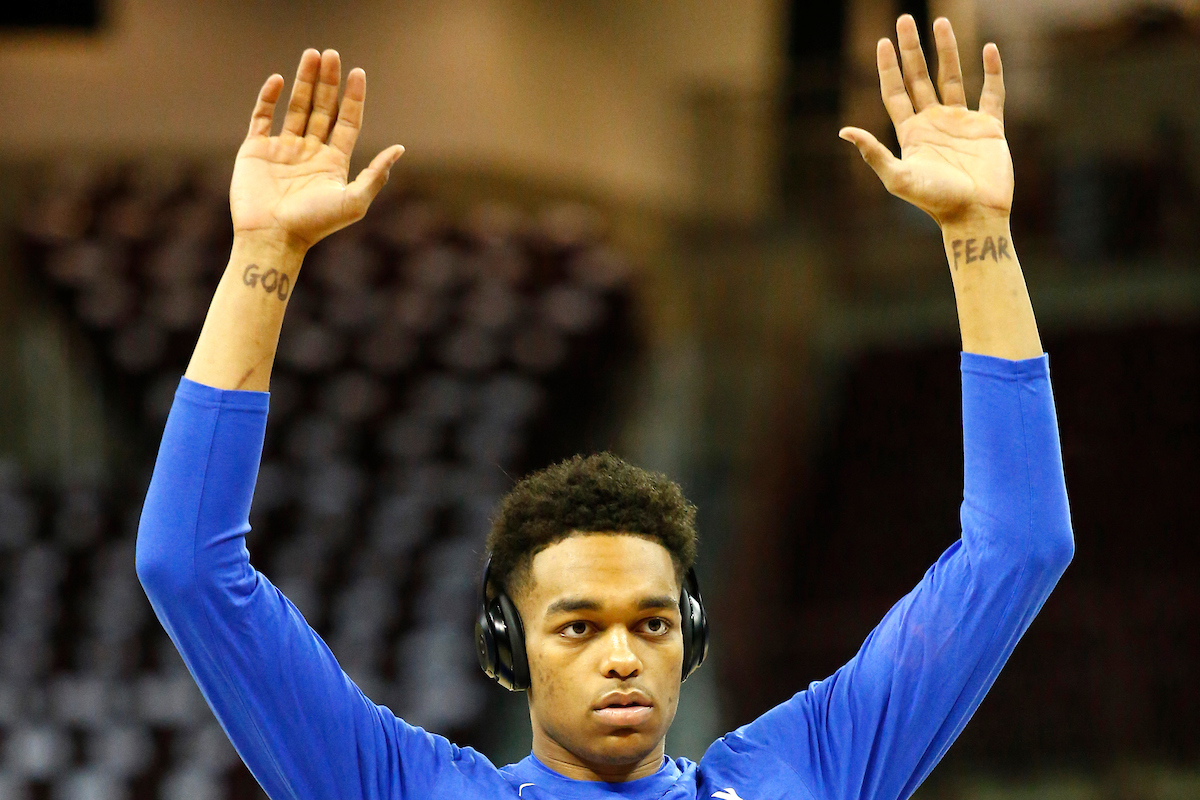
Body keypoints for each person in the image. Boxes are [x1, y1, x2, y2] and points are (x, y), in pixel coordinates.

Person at [137, 15, 1074, 800]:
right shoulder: (405, 787)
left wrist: (979, 235)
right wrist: (263, 255)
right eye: (578, 626)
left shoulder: (808, 771)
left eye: (652, 622)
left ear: (692, 632)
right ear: (507, 641)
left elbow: (1021, 545)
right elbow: (186, 565)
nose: (622, 657)